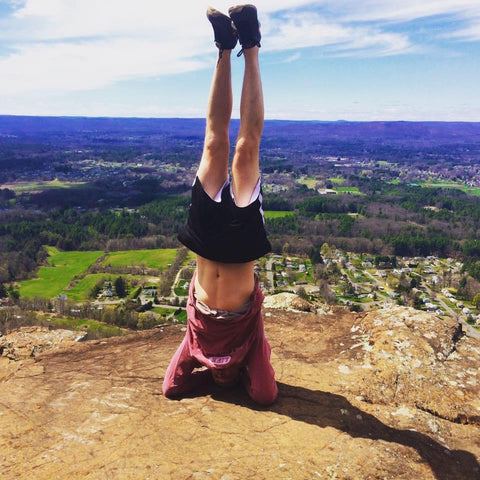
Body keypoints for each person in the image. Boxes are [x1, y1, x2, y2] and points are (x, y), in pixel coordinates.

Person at [162, 4, 278, 406]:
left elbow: (171, 387)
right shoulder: (249, 346)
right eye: (230, 374)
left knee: (216, 143)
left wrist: (202, 372)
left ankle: (224, 48)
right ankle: (250, 44)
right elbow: (265, 393)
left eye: (219, 375)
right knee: (245, 149)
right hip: (240, 246)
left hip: (205, 244)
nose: (221, 371)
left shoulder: (196, 345)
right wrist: (246, 372)